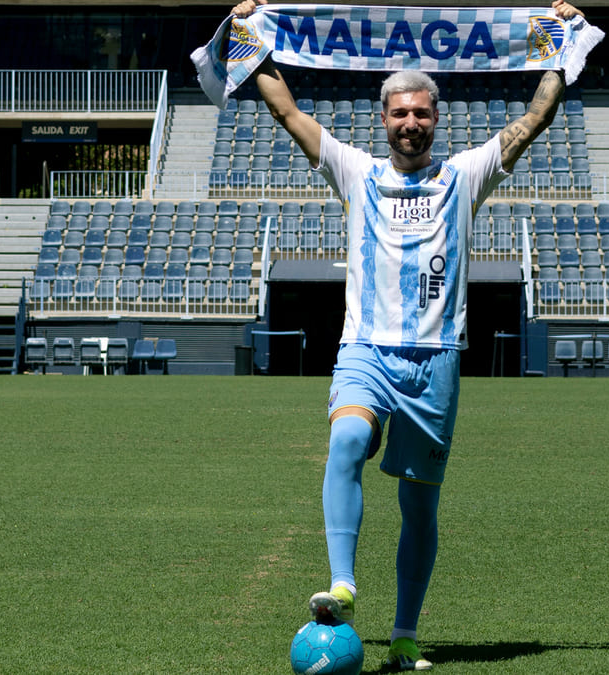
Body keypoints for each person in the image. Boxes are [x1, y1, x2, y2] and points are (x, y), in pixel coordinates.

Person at [230, 0, 584, 669]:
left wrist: (561, 39)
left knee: (419, 508)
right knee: (348, 437)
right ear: (383, 119)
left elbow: (536, 118)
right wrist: (250, 33)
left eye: (422, 113)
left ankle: (404, 634)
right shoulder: (356, 172)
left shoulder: (464, 176)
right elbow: (287, 111)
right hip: (366, 350)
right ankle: (342, 583)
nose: (411, 123)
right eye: (400, 113)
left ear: (435, 119)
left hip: (437, 361)